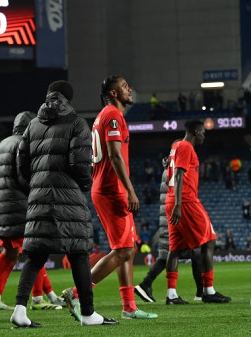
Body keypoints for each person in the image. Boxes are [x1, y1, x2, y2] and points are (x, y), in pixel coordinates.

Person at [10, 80, 117, 327]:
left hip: (38, 197)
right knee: (79, 253)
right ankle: (89, 313)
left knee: (35, 256)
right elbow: (80, 164)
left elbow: (21, 165)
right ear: (69, 99)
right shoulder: (77, 123)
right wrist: (83, 186)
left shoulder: (33, 124)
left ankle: (19, 310)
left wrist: (35, 185)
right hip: (68, 195)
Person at [0, 112, 64, 312]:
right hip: (22, 206)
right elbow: (24, 177)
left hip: (5, 207)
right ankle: (38, 299)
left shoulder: (2, 145)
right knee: (35, 250)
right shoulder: (24, 144)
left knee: (10, 254)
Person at [87, 75, 156, 319]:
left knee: (127, 248)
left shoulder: (104, 115)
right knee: (125, 250)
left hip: (106, 187)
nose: (129, 89)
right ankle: (78, 292)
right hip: (111, 189)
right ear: (113, 93)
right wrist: (129, 190)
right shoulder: (113, 115)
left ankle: (129, 307)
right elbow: (115, 156)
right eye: (124, 86)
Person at [165, 119, 231, 305]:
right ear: (195, 132)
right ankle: (208, 291)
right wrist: (179, 204)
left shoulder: (176, 145)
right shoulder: (186, 147)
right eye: (202, 132)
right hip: (185, 201)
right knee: (209, 240)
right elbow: (178, 175)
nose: (203, 136)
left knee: (175, 249)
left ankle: (171, 295)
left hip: (173, 200)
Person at [135, 154, 203, 304]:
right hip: (173, 217)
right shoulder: (176, 170)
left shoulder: (168, 169)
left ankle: (146, 285)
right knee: (192, 253)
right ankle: (146, 284)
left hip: (168, 216)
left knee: (172, 255)